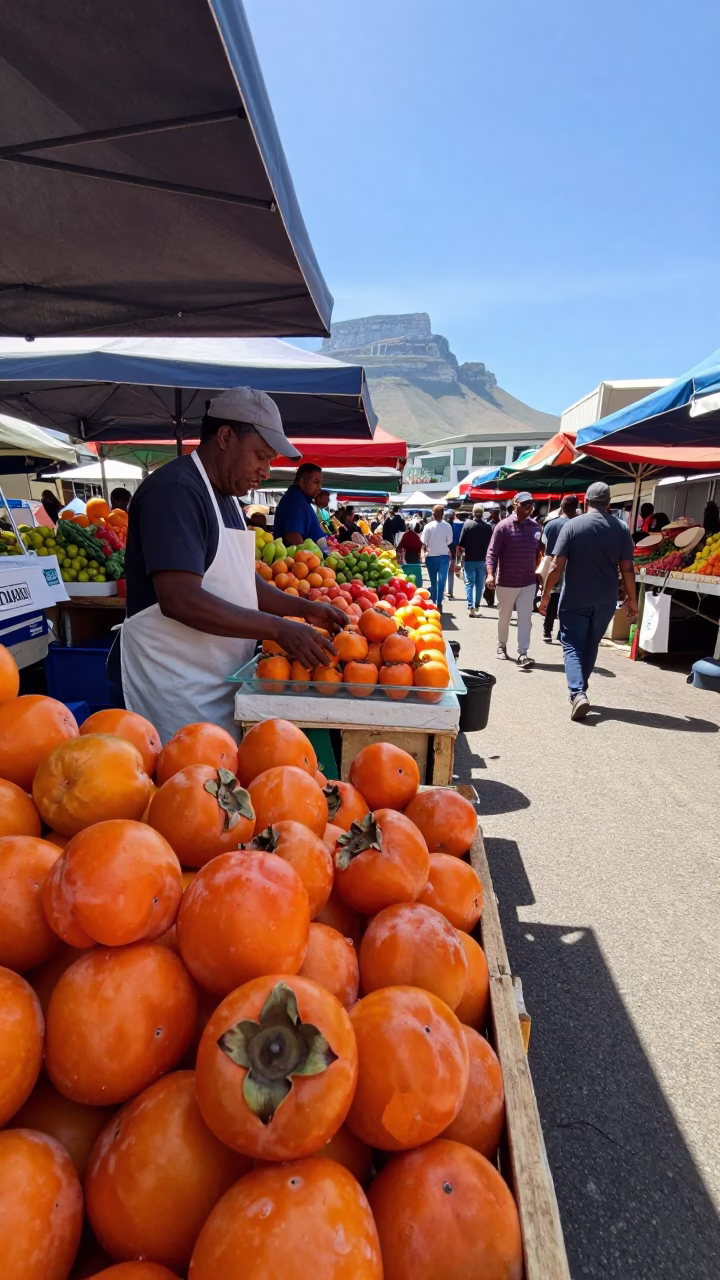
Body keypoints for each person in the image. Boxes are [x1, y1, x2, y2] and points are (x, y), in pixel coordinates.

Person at [116, 388, 344, 742]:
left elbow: (244, 583)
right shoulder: (175, 492)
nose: (266, 472)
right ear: (225, 437)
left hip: (217, 680)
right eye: (261, 457)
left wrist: (305, 608)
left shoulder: (225, 498)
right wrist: (280, 629)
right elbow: (180, 599)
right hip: (176, 688)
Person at [539, 481, 637, 720]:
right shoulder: (622, 528)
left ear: (586, 501)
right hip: (605, 599)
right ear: (609, 504)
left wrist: (544, 595)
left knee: (572, 645)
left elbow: (555, 566)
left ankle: (577, 692)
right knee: (591, 644)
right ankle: (580, 689)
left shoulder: (572, 526)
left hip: (575, 597)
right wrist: (632, 600)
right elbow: (628, 569)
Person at [485, 492, 542, 669]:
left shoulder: (536, 527)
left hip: (528, 581)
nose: (529, 506)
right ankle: (501, 646)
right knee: (505, 616)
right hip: (507, 582)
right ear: (515, 504)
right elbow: (492, 553)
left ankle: (523, 653)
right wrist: (490, 574)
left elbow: (539, 554)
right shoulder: (503, 527)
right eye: (525, 503)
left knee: (525, 619)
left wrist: (541, 575)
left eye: (531, 503)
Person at [540, 495, 578, 642]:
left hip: (553, 565)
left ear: (561, 507)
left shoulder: (550, 524)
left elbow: (543, 542)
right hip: (573, 567)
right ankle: (562, 633)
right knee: (567, 600)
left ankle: (547, 631)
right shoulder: (579, 525)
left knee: (551, 596)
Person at [272, 463, 327, 549]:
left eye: (320, 483)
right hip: (305, 560)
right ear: (302, 482)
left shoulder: (303, 500)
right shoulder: (294, 499)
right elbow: (292, 535)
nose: (319, 487)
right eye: (316, 482)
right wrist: (307, 556)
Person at [457, 504, 492, 616]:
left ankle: (470, 606)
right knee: (479, 584)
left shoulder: (467, 525)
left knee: (469, 583)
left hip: (469, 558)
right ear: (482, 513)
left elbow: (461, 542)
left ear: (473, 512)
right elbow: (491, 544)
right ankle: (477, 605)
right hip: (482, 559)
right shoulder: (487, 527)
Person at [421, 504, 454, 609]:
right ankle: (439, 602)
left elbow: (423, 542)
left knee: (433, 581)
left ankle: (435, 601)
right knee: (442, 580)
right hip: (444, 557)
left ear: (433, 514)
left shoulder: (428, 526)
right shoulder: (448, 526)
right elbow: (449, 541)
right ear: (443, 514)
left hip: (431, 557)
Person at [444, 509, 464, 599]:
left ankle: (445, 590)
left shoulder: (442, 526)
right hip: (453, 550)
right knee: (450, 571)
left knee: (444, 571)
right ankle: (450, 591)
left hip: (444, 551)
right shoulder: (460, 525)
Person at [397, 524, 424, 589]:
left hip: (408, 557)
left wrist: (398, 551)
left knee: (408, 573)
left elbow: (401, 545)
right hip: (415, 557)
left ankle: (408, 586)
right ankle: (417, 585)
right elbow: (420, 545)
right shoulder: (416, 536)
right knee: (416, 572)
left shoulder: (406, 535)